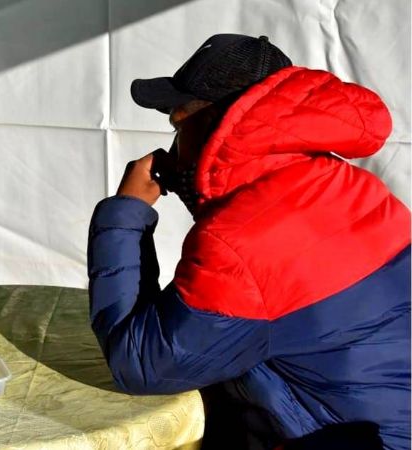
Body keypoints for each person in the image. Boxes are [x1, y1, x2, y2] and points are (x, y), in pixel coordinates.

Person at [88, 34, 410, 450]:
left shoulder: (240, 243)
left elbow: (139, 365)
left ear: (214, 123)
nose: (173, 143)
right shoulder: (356, 188)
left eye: (178, 123)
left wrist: (125, 211)